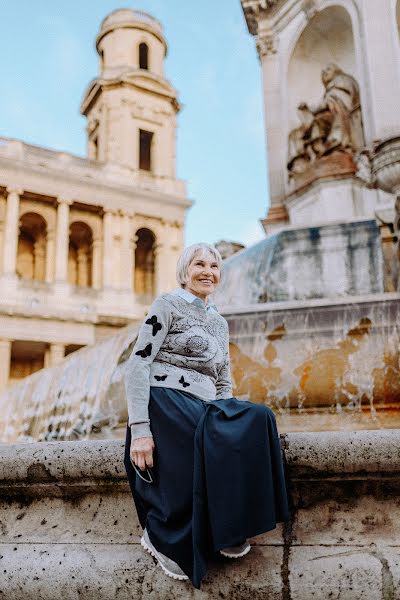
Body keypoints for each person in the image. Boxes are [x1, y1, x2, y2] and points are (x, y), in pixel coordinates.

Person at [123, 242, 290, 588]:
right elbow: (138, 362)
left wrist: (230, 419)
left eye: (214, 267)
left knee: (259, 418)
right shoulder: (167, 305)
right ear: (185, 272)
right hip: (165, 399)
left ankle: (231, 525)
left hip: (204, 403)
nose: (207, 272)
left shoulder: (219, 322)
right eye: (199, 264)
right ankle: (162, 537)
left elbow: (224, 381)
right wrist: (140, 429)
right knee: (201, 436)